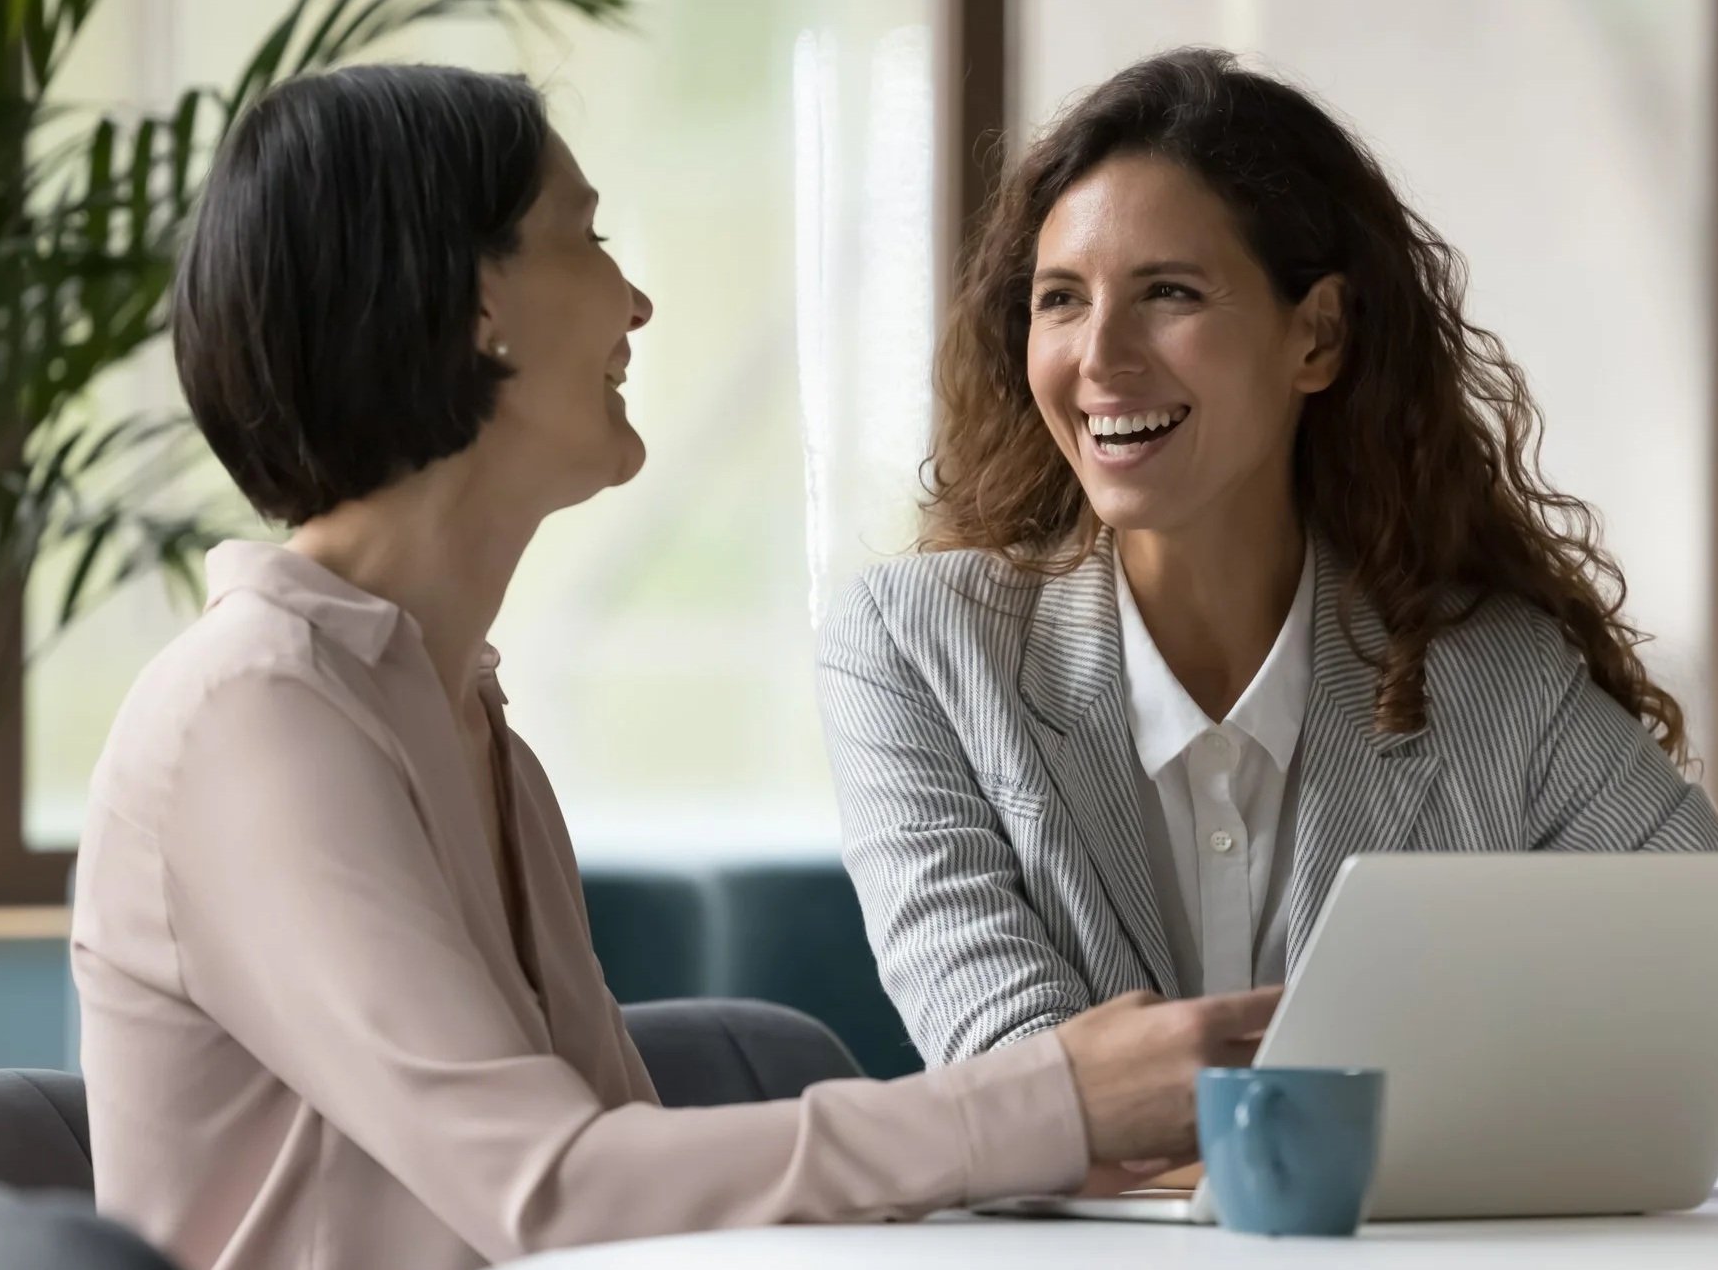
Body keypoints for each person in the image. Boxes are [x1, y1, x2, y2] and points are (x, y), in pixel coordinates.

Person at [68, 64, 1279, 1270]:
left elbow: (630, 1195)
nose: (634, 301)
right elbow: (549, 1191)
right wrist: (1051, 1101)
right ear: (467, 299)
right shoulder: (255, 712)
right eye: (583, 235)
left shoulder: (467, 725)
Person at [818, 47, 1718, 1192]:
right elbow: (1015, 1080)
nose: (1099, 357)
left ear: (1319, 336)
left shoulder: (1492, 678)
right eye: (1059, 301)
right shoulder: (915, 647)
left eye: (1169, 293)